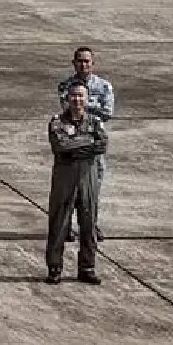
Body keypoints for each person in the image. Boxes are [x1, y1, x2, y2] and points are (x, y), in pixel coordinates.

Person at [45, 83, 107, 285]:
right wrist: (87, 142)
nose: (77, 100)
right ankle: (55, 268)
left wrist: (76, 146)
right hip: (65, 180)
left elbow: (102, 144)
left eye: (80, 96)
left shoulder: (95, 121)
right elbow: (60, 145)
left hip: (88, 179)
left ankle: (87, 267)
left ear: (86, 98)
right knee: (59, 225)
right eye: (73, 96)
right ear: (67, 98)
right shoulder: (57, 121)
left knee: (89, 225)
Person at [57, 46, 115, 243]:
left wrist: (81, 104)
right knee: (69, 190)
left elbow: (107, 112)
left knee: (93, 189)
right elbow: (68, 110)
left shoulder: (104, 86)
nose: (83, 65)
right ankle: (65, 227)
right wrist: (90, 106)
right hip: (72, 144)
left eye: (86, 61)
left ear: (93, 64)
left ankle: (91, 226)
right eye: (79, 61)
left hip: (93, 144)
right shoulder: (65, 85)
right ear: (74, 63)